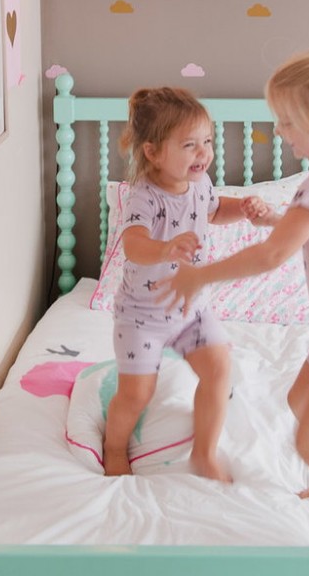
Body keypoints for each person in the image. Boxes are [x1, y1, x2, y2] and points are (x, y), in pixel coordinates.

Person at [157, 48, 309, 546]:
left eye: (288, 123)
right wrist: (276, 216)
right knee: (298, 400)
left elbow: (273, 256)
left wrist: (200, 276)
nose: (281, 133)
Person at [103, 86, 252, 483]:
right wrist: (166, 247)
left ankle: (204, 455)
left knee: (220, 369)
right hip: (142, 316)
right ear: (152, 152)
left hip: (191, 309)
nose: (203, 153)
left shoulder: (200, 185)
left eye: (207, 141)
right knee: (136, 394)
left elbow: (217, 210)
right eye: (189, 145)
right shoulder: (144, 198)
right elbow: (133, 246)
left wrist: (246, 209)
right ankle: (114, 446)